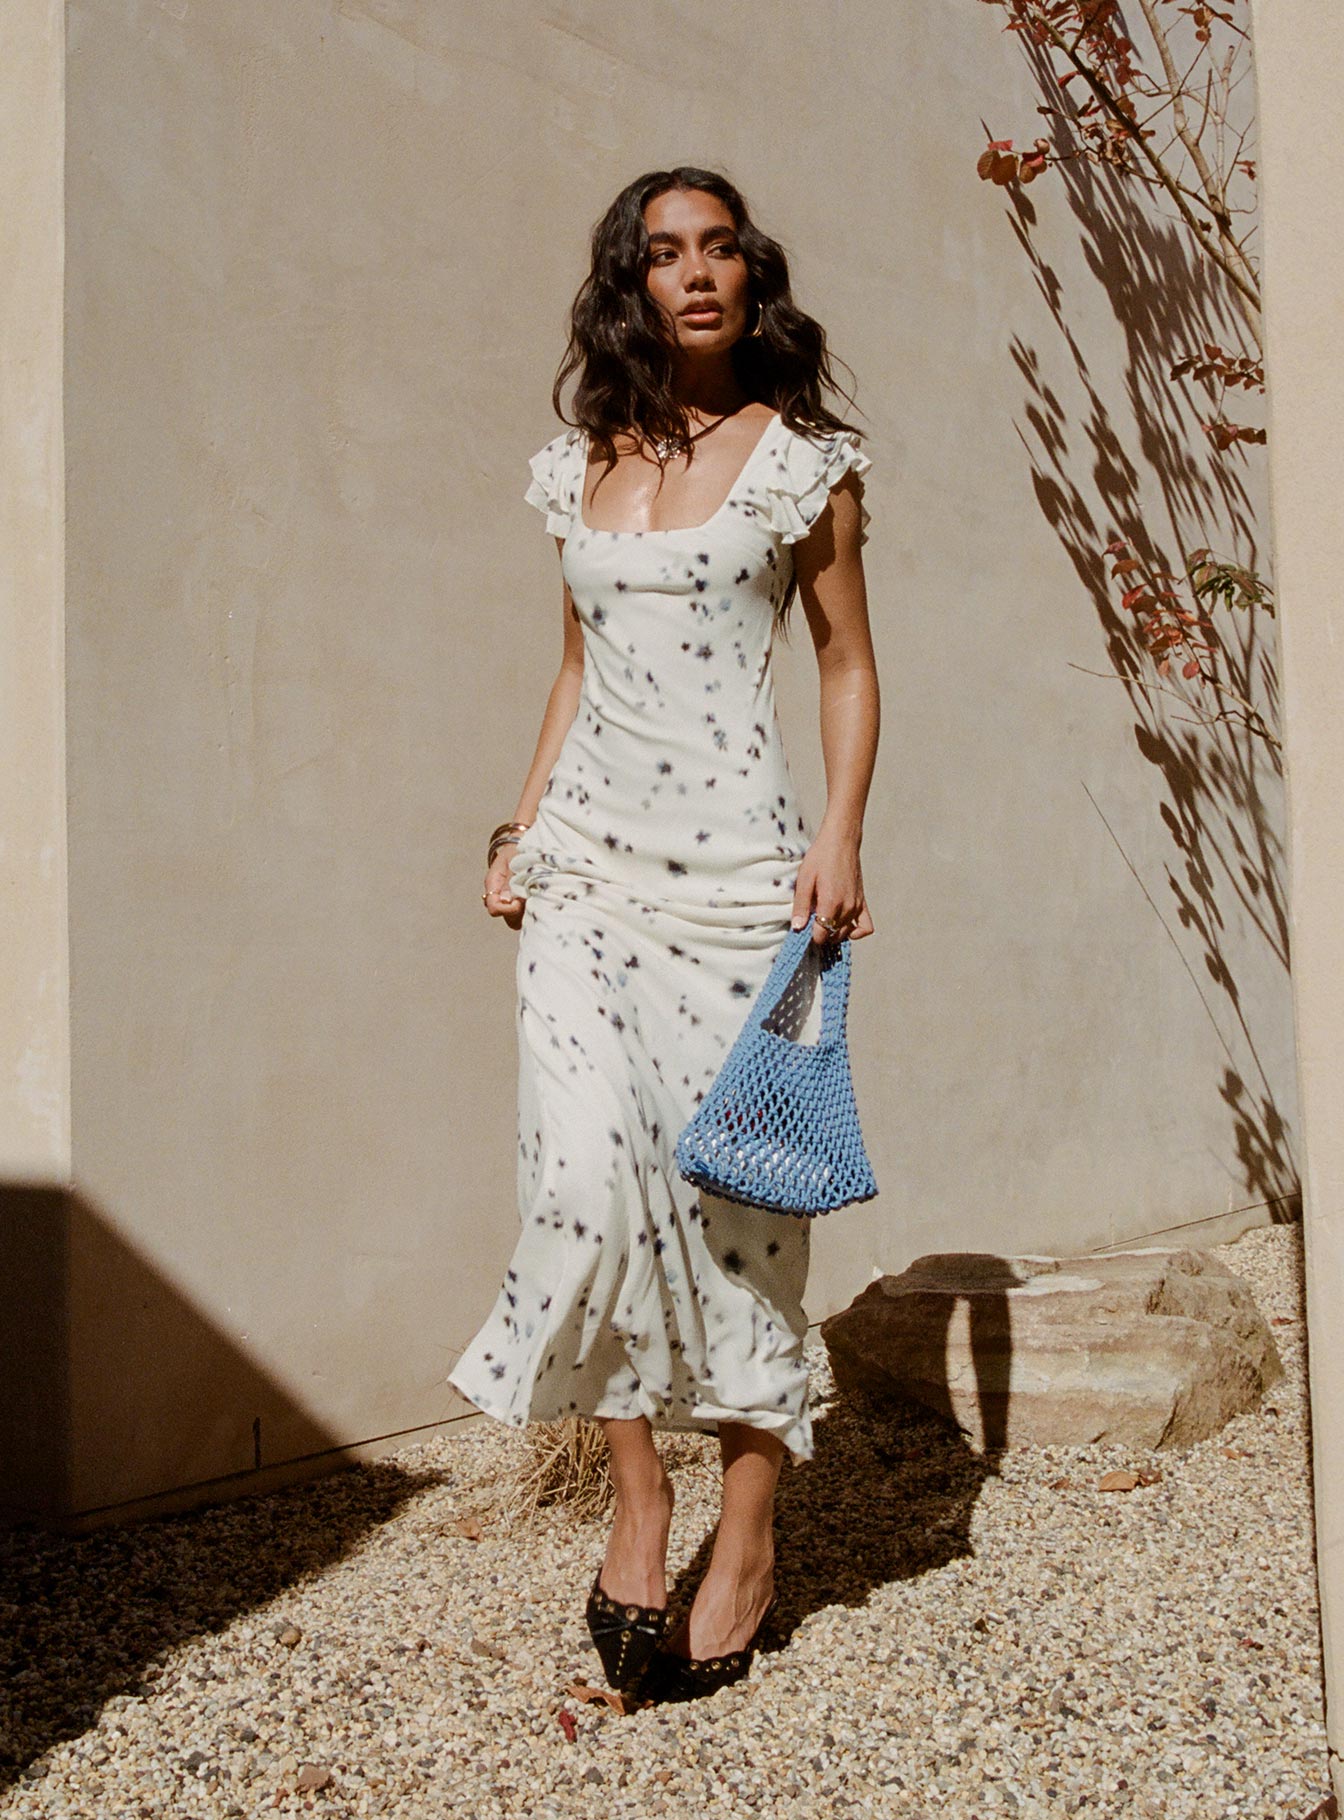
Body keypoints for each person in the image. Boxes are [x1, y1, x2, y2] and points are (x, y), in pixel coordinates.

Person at [447, 164, 879, 1704]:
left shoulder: (804, 468)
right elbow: (576, 668)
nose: (695, 275)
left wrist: (838, 837)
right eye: (662, 255)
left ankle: (747, 1538)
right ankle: (639, 1510)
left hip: (737, 884)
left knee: (740, 1217)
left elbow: (842, 667)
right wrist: (520, 827)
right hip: (585, 876)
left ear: (750, 275)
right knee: (579, 1189)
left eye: (717, 250)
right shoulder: (576, 469)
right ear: (626, 288)